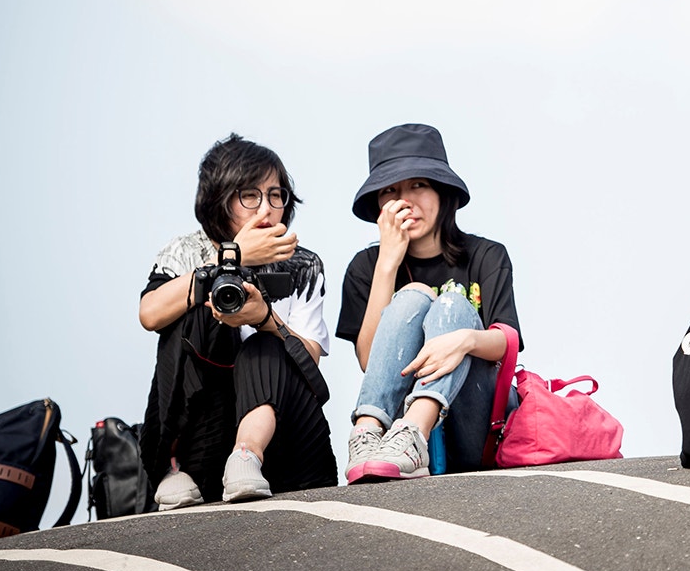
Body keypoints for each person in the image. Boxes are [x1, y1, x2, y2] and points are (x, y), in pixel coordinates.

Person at [138, 134, 337, 509]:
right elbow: (150, 314)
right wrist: (232, 258)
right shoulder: (187, 251)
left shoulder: (302, 264)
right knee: (189, 310)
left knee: (268, 342)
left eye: (276, 195)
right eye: (249, 196)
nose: (266, 210)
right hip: (205, 440)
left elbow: (310, 360)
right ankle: (172, 467)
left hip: (284, 442)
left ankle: (246, 455)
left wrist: (265, 318)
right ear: (220, 199)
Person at [338, 123, 521, 483]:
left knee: (452, 305)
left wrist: (464, 340)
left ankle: (415, 432)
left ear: (442, 192)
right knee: (411, 297)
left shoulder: (486, 255)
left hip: (475, 419)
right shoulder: (366, 267)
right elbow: (369, 361)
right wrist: (387, 263)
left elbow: (507, 342)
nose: (405, 200)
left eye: (418, 185)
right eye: (390, 190)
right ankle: (366, 431)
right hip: (389, 438)